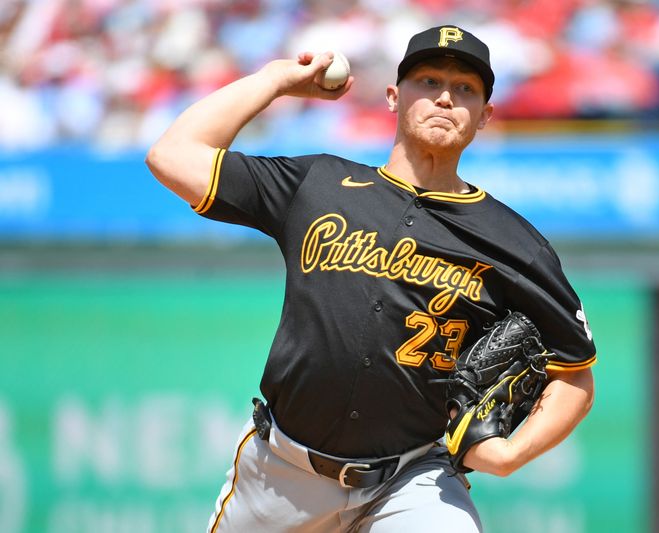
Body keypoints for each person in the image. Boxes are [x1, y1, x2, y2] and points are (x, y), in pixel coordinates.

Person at [146, 24, 596, 533]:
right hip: (279, 476)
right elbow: (172, 155)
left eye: (466, 89)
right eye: (427, 81)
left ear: (485, 116)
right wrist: (273, 81)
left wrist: (515, 452)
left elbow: (574, 371)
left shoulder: (515, 243)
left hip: (411, 480)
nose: (445, 97)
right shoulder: (318, 185)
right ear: (392, 96)